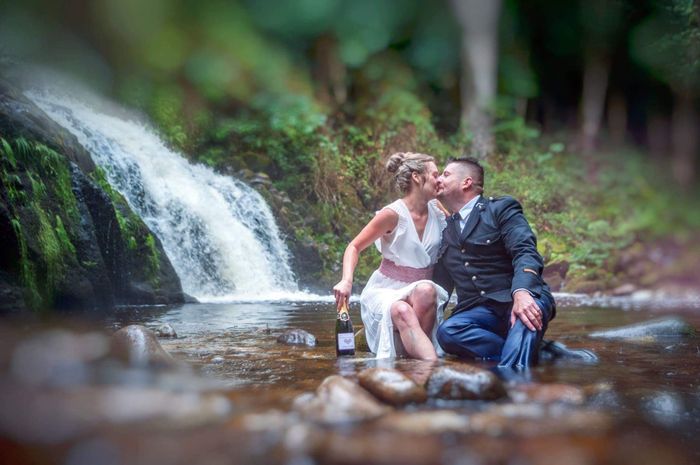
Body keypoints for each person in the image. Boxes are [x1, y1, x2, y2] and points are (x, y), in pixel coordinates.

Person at [433, 157, 556, 368]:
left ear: (466, 182)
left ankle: (512, 384)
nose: (438, 179)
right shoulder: (443, 228)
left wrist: (522, 292)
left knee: (527, 315)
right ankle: (541, 354)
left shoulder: (500, 209)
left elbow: (525, 251)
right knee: (448, 332)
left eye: (445, 174)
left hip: (519, 298)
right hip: (479, 312)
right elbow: (440, 287)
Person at [332, 152, 449, 360]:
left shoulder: (437, 210)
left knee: (426, 290)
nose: (439, 180)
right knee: (402, 310)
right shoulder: (392, 214)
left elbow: (461, 234)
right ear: (416, 177)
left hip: (422, 289)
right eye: (435, 174)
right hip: (386, 289)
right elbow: (354, 246)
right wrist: (346, 281)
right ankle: (431, 368)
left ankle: (414, 362)